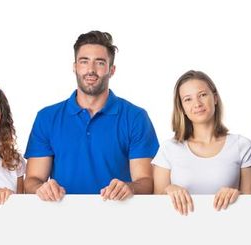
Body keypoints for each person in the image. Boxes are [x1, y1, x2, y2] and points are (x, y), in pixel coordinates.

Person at [24, 30, 159, 202]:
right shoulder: (47, 118)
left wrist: (129, 187)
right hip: (60, 218)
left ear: (112, 70)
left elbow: (146, 182)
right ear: (74, 67)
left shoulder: (135, 117)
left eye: (100, 63)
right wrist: (41, 188)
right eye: (84, 61)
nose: (91, 70)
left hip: (118, 218)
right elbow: (32, 180)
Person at [152, 70, 251, 215]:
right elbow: (154, 206)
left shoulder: (242, 146)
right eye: (188, 99)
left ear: (214, 98)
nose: (197, 104)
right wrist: (168, 190)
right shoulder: (168, 149)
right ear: (181, 107)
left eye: (202, 95)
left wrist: (237, 194)